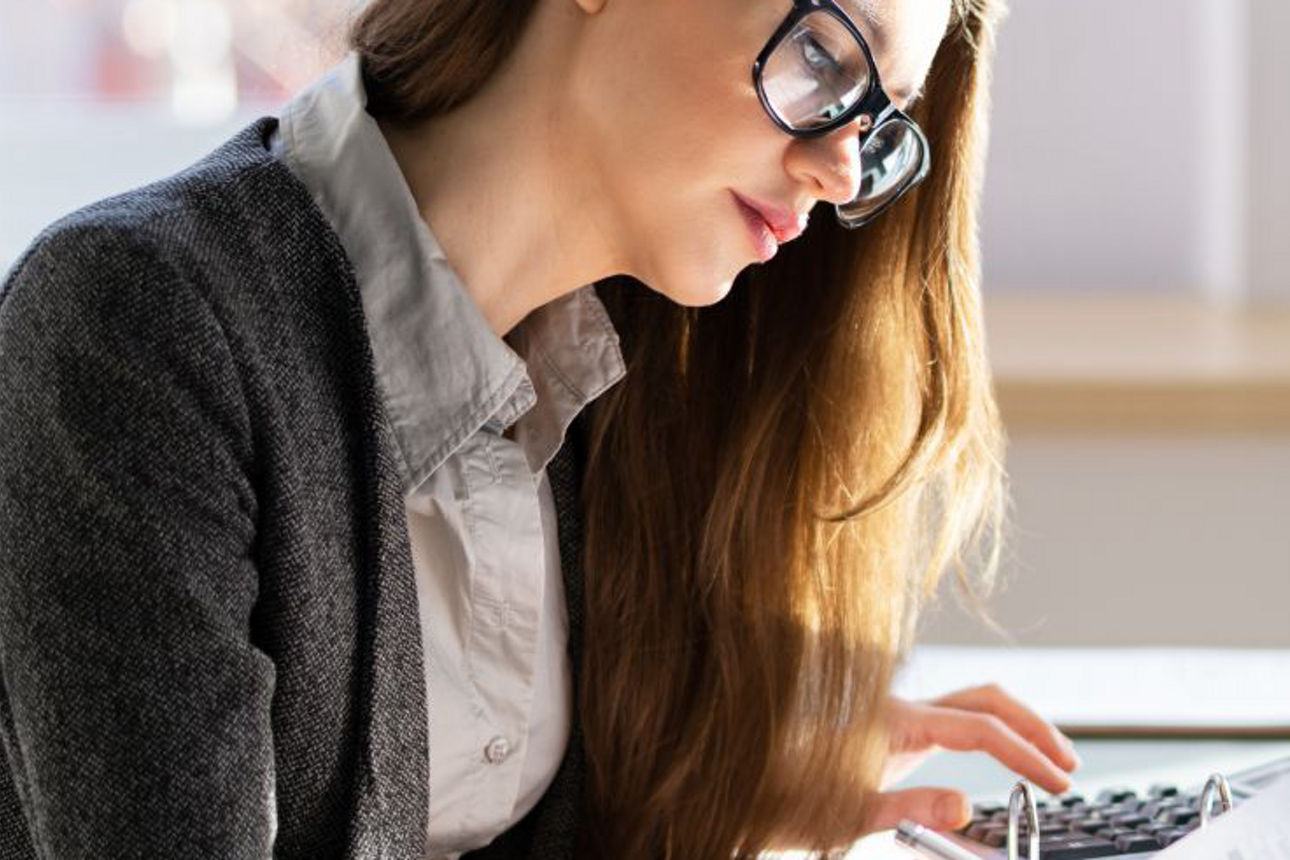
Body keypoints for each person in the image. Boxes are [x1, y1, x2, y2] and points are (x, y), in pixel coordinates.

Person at [0, 0, 1079, 856]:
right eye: (827, 58)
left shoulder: (633, 390)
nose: (843, 167)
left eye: (880, 121)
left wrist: (709, 789)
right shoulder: (135, 324)